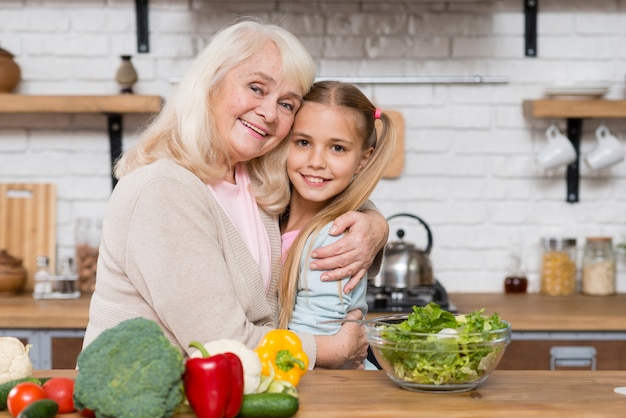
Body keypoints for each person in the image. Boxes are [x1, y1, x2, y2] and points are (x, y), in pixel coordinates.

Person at [81, 19, 389, 370]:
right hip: (138, 396)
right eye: (257, 88)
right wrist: (334, 350)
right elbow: (223, 345)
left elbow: (328, 194)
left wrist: (374, 225)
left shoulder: (254, 180)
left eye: (287, 104)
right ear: (211, 84)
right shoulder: (163, 191)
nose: (270, 113)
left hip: (223, 396)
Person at [276, 81, 396, 369]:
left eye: (337, 148)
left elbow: (318, 345)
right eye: (303, 142)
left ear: (362, 160)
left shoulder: (334, 240)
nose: (316, 161)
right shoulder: (274, 216)